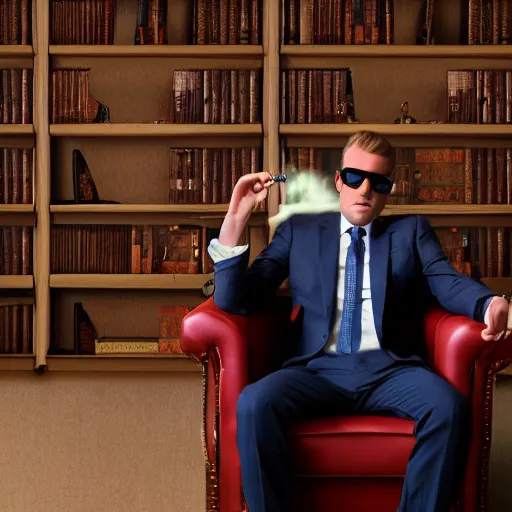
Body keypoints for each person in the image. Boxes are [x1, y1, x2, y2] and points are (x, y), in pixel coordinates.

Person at [207, 131, 511, 512]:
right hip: (316, 370)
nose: (364, 189)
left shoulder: (411, 232)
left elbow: (445, 280)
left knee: (448, 407)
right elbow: (236, 299)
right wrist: (236, 217)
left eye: (378, 181)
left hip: (390, 371)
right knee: (253, 402)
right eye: (354, 177)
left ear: (389, 190)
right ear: (339, 180)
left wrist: (488, 304)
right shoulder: (299, 231)